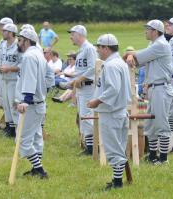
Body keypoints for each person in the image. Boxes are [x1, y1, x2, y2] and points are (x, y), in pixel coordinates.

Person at [123, 19, 173, 165]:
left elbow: (136, 55)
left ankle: (163, 159)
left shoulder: (161, 44)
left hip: (161, 88)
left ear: (155, 31)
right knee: (150, 124)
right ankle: (152, 156)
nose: (145, 31)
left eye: (148, 29)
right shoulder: (153, 44)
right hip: (153, 88)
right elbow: (138, 61)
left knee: (161, 124)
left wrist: (129, 53)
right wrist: (132, 57)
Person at [88, 33, 131, 191]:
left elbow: (113, 89)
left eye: (99, 47)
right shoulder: (119, 62)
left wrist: (97, 100)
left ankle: (117, 183)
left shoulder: (112, 65)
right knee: (118, 147)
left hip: (111, 112)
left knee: (113, 148)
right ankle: (117, 180)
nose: (98, 50)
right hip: (118, 111)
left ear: (106, 48)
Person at [16, 28, 48, 179]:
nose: (19, 43)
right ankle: (36, 169)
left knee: (22, 140)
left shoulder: (29, 56)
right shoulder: (39, 54)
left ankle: (40, 170)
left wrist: (26, 100)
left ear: (27, 41)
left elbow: (30, 79)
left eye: (20, 40)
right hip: (39, 102)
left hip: (32, 104)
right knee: (36, 138)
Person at [67, 25, 97, 155]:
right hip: (82, 88)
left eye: (72, 34)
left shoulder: (89, 48)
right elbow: (81, 70)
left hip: (89, 87)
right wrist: (74, 80)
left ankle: (92, 149)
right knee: (83, 117)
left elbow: (93, 68)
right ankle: (88, 146)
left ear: (79, 34)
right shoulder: (81, 50)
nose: (70, 37)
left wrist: (79, 79)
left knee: (88, 117)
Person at [0, 23, 21, 137]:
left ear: (11, 32)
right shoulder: (3, 44)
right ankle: (10, 129)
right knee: (6, 105)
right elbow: (0, 59)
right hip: (4, 79)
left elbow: (23, 64)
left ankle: (18, 131)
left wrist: (9, 68)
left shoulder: (18, 45)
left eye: (5, 31)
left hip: (14, 80)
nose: (2, 32)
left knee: (14, 106)